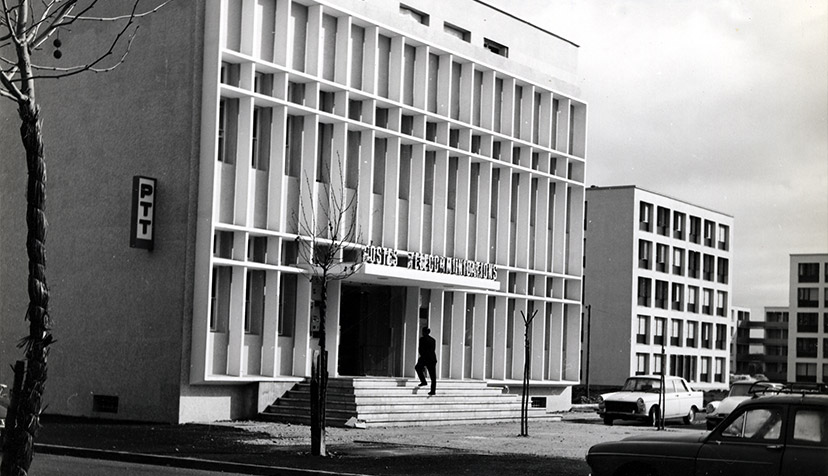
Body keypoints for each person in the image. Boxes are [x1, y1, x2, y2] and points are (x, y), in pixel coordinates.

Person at [415, 327, 437, 396]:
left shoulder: (422, 339)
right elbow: (433, 350)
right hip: (432, 359)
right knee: (433, 376)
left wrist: (421, 358)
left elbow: (420, 350)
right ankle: (433, 390)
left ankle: (423, 381)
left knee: (418, 368)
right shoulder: (433, 340)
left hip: (425, 358)